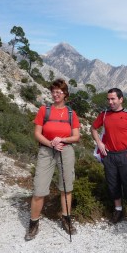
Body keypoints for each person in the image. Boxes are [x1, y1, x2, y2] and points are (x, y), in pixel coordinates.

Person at [25, 79, 81, 241]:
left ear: (65, 94)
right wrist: (51, 143)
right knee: (39, 188)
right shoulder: (44, 110)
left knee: (66, 187)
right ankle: (33, 223)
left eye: (59, 92)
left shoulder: (71, 113)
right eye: (53, 91)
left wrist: (61, 140)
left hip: (65, 150)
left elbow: (76, 136)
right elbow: (37, 133)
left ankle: (66, 219)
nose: (56, 94)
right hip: (46, 150)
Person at [90, 88, 127, 227]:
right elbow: (93, 128)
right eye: (108, 99)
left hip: (124, 155)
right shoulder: (104, 114)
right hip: (109, 156)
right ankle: (118, 210)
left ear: (121, 99)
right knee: (113, 185)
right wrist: (100, 143)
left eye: (113, 99)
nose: (110, 102)